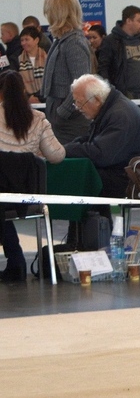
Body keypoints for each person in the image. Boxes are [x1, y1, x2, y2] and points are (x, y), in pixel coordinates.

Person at [0, 70, 65, 282]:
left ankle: (16, 260)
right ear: (24, 92)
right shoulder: (39, 119)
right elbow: (57, 155)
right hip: (31, 196)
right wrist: (34, 154)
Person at [65, 74, 140, 198]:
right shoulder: (111, 108)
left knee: (81, 176)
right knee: (84, 172)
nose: (78, 108)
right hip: (127, 169)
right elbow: (91, 140)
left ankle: (91, 216)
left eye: (80, 103)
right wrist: (65, 148)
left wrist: (66, 150)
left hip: (139, 176)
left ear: (97, 99)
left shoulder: (119, 114)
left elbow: (101, 155)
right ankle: (93, 216)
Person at [41, 0, 92, 143]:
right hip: (60, 114)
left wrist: (62, 112)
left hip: (70, 121)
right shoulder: (61, 41)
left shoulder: (73, 43)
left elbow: (82, 84)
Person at [97, 5, 140, 99]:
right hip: (122, 94)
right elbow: (103, 68)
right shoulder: (111, 41)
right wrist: (110, 91)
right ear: (128, 21)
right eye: (139, 20)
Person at [18, 26, 46, 102]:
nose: (23, 43)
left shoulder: (47, 57)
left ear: (36, 40)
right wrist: (28, 97)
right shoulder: (18, 59)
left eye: (27, 39)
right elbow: (17, 83)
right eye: (22, 40)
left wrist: (39, 98)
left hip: (46, 100)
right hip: (26, 101)